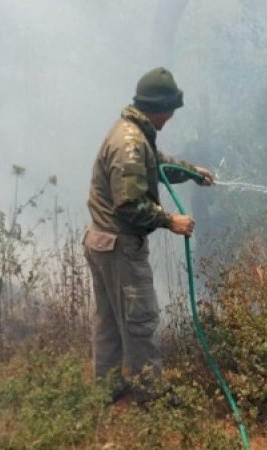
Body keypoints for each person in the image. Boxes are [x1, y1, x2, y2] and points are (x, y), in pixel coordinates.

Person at [84, 67, 213, 403]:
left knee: (110, 322)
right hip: (120, 247)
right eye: (170, 111)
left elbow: (157, 164)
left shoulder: (133, 134)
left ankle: (108, 387)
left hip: (103, 242)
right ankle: (151, 395)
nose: (170, 118)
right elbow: (129, 205)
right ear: (159, 106)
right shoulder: (129, 144)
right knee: (140, 319)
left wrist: (191, 172)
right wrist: (172, 221)